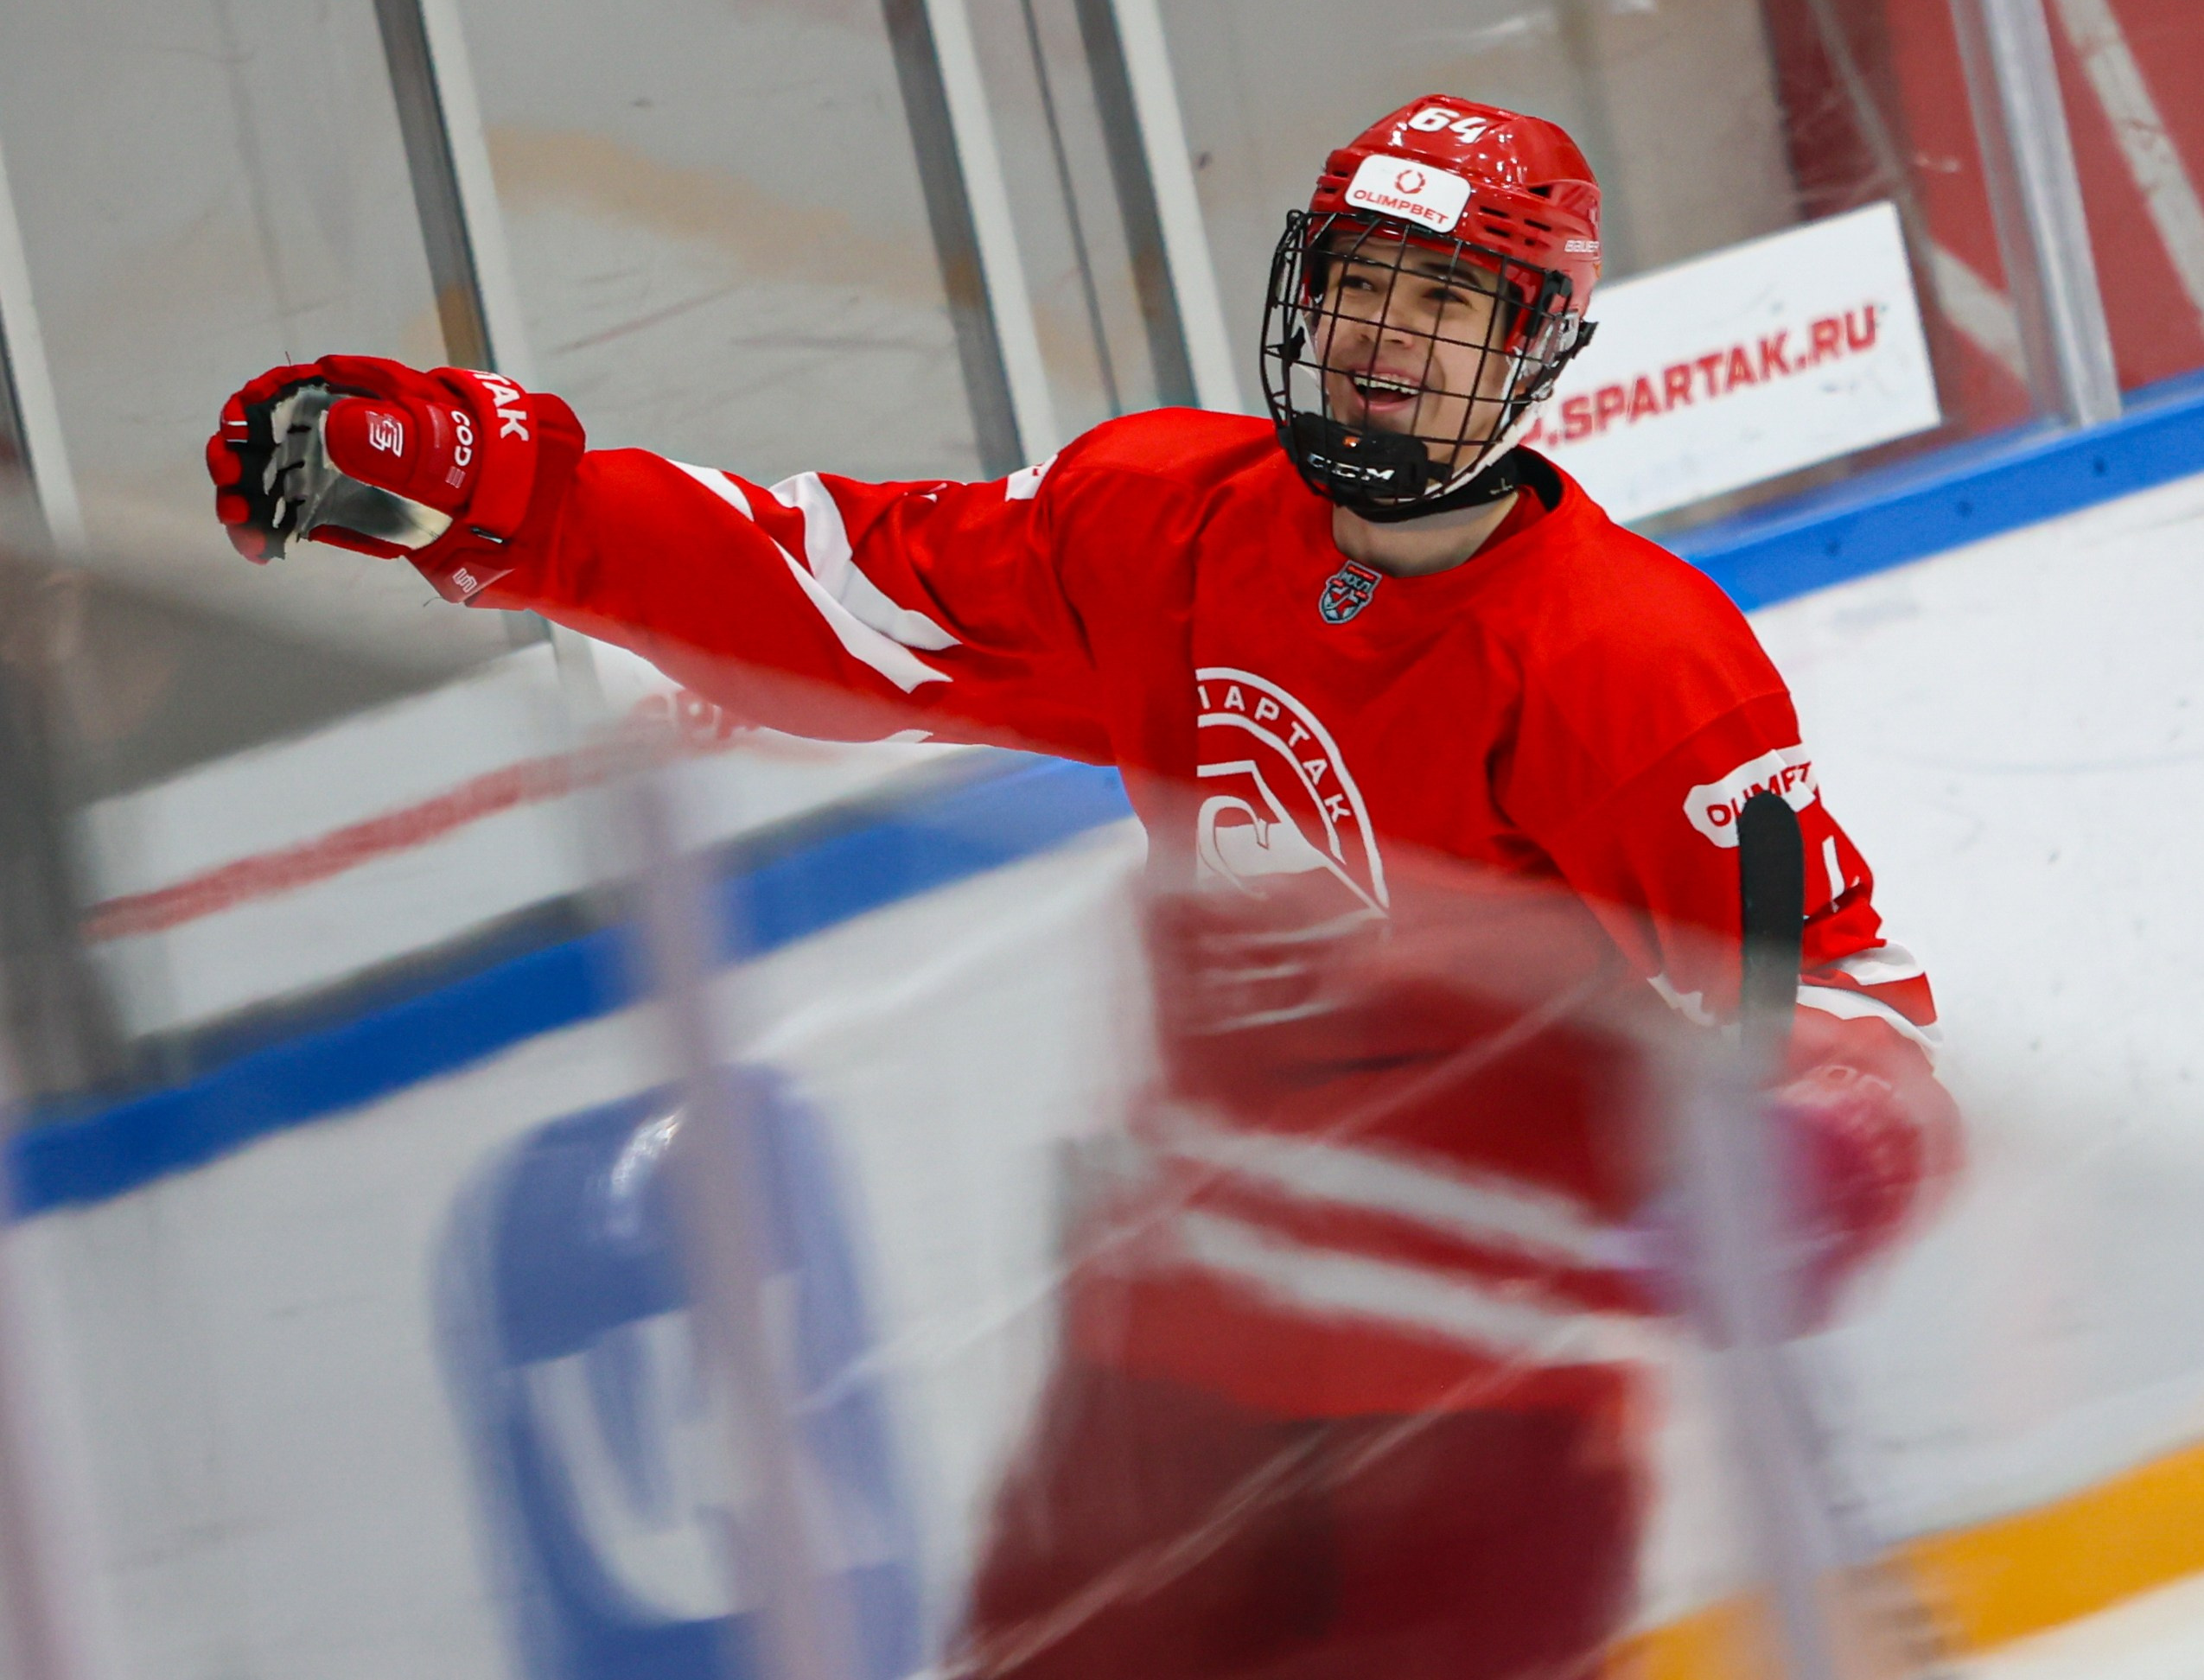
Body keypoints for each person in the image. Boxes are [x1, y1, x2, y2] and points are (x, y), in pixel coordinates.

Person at [208, 95, 1960, 1677]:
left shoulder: (1636, 666)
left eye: (1444, 301)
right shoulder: (1166, 521)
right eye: (1359, 281)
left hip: (1477, 1427)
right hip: (1160, 1387)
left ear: (1534, 346)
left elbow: (1838, 1006)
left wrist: (1809, 1154)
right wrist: (507, 499)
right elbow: (839, 592)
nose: (1382, 336)